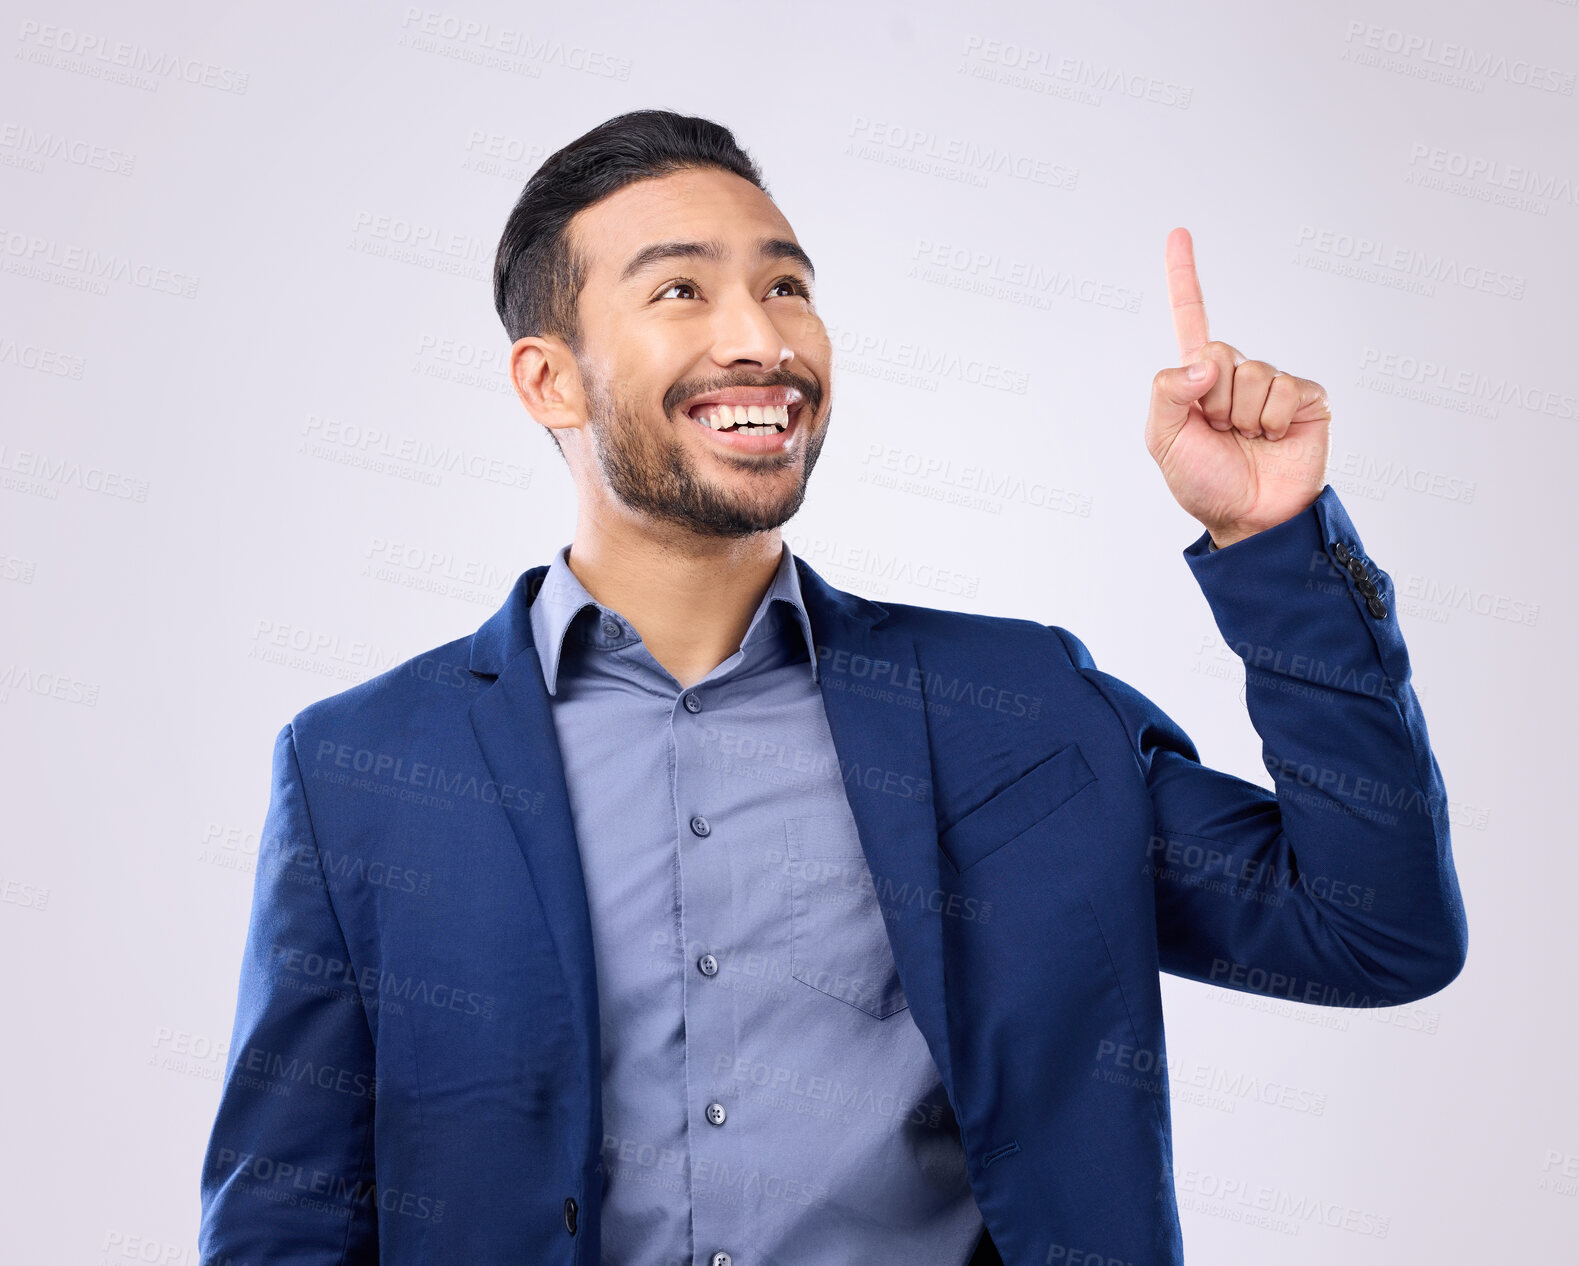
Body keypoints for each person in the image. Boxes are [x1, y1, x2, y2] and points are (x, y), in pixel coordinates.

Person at [198, 109, 1468, 1266]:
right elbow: (283, 1228)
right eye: (681, 290)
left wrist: (1275, 544)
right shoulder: (363, 769)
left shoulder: (1013, 709)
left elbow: (1370, 929)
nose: (759, 338)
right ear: (548, 379)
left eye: (786, 285)